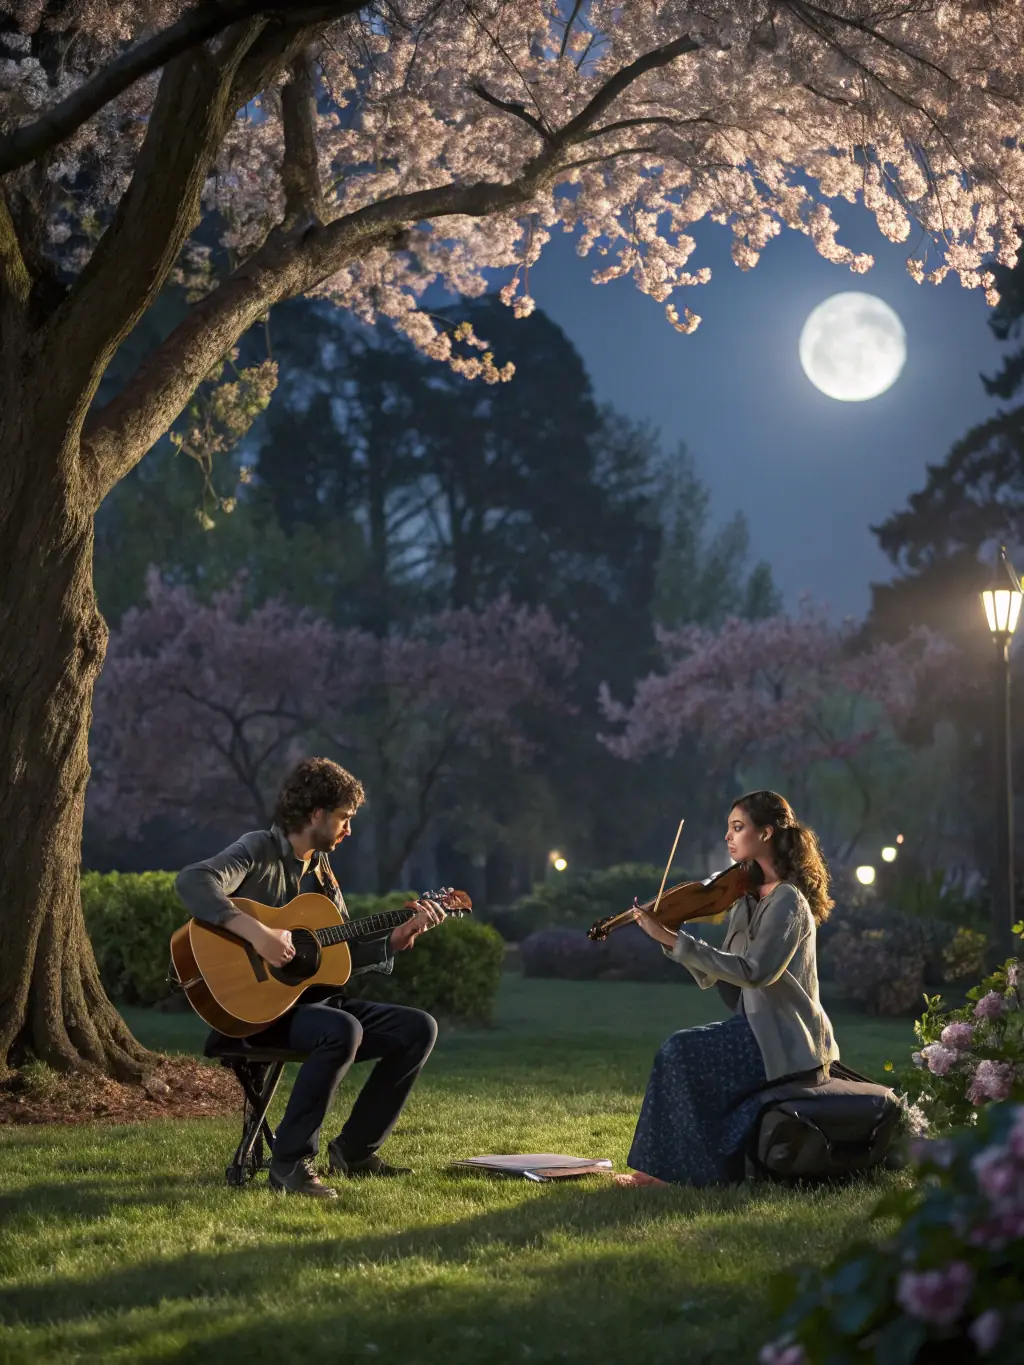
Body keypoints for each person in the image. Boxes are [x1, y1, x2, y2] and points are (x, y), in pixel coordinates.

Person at [175, 756, 445, 1199]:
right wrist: (257, 933)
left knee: (417, 1027)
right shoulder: (258, 849)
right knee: (342, 1028)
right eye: (344, 818)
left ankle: (355, 1151)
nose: (348, 830)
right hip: (255, 1009)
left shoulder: (322, 873)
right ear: (316, 813)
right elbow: (193, 881)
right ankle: (290, 1163)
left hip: (308, 1005)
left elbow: (333, 958)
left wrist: (392, 941)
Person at [615, 790, 839, 1188]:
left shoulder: (788, 900)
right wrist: (670, 938)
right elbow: (718, 974)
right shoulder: (746, 900)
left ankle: (667, 1175)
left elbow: (754, 972)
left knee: (679, 1051)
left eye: (738, 828)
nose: (728, 837)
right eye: (728, 828)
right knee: (678, 1052)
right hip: (756, 1029)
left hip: (787, 1041)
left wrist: (674, 940)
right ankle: (659, 1172)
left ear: (766, 833)